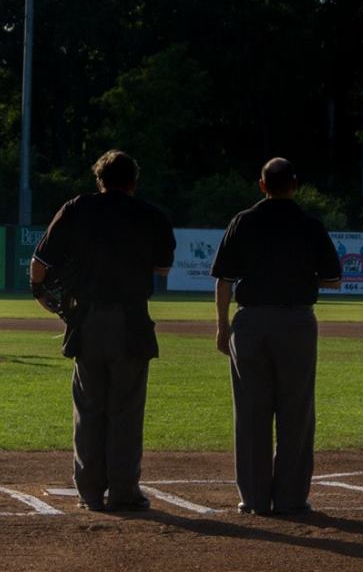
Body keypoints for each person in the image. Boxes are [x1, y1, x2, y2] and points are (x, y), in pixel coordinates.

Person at [30, 149, 176, 512]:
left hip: (87, 320)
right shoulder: (151, 214)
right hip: (131, 321)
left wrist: (39, 293)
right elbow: (162, 269)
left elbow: (39, 263)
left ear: (100, 180)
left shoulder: (77, 207)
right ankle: (123, 492)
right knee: (125, 411)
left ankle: (90, 493)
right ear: (133, 182)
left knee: (89, 408)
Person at [210, 157, 345, 515]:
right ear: (295, 184)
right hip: (296, 321)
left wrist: (222, 326)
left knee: (251, 412)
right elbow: (333, 279)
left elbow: (224, 279)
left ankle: (253, 498)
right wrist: (298, 276)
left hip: (250, 321)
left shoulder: (243, 221)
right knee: (296, 412)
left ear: (262, 185)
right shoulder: (309, 224)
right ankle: (290, 498)